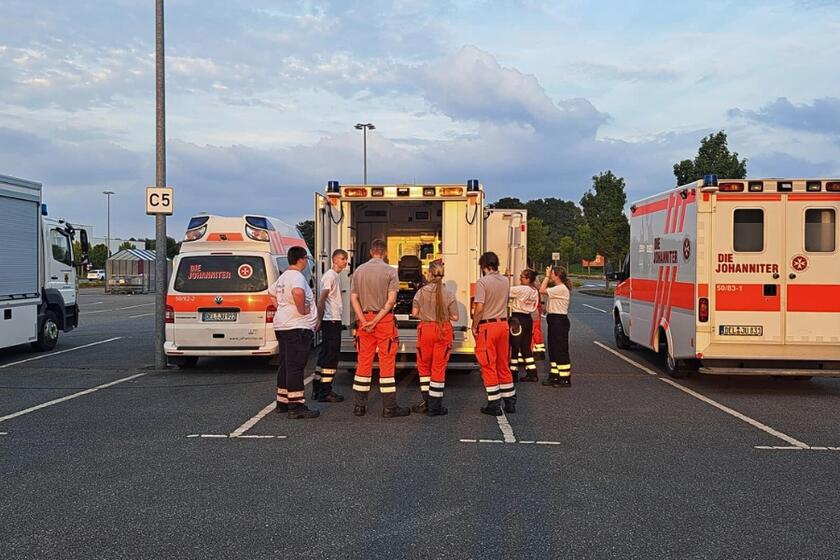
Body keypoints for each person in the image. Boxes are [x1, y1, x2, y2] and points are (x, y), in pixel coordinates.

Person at [349, 238, 410, 418]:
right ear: (384, 253)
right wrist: (375, 321)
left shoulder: (358, 271)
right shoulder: (390, 272)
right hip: (383, 321)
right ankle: (389, 407)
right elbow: (391, 301)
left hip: (364, 320)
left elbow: (354, 298)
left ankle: (359, 406)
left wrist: (364, 320)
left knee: (363, 362)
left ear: (371, 251)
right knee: (386, 363)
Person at [269, 246, 319, 419]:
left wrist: (282, 308)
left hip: (282, 325)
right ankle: (296, 406)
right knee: (296, 367)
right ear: (301, 259)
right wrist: (302, 310)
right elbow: (298, 292)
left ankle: (282, 402)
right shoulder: (297, 277)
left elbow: (271, 293)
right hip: (296, 327)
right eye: (305, 258)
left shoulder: (283, 277)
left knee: (285, 365)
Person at [411, 259, 458, 416]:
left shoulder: (421, 292)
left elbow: (414, 313)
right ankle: (435, 406)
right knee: (439, 368)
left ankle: (426, 402)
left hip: (426, 329)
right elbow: (455, 316)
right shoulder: (449, 294)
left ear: (429, 274)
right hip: (443, 329)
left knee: (424, 366)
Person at [472, 252, 516, 416]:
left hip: (488, 327)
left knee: (488, 364)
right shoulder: (505, 280)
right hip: (503, 324)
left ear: (483, 266)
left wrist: (474, 325)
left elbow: (480, 308)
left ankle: (494, 404)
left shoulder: (482, 282)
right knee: (503, 363)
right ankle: (510, 400)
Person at [313, 249, 349, 403]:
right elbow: (322, 299)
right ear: (334, 259)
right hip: (331, 320)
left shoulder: (335, 276)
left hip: (332, 319)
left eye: (346, 259)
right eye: (342, 258)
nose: (345, 261)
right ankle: (325, 392)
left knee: (324, 354)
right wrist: (319, 319)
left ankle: (317, 388)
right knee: (331, 357)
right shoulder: (330, 276)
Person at [539, 266, 572, 387]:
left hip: (559, 320)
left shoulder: (561, 288)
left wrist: (546, 277)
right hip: (554, 319)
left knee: (560, 350)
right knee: (553, 349)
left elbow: (541, 290)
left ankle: (565, 378)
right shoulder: (558, 288)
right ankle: (554, 376)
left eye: (552, 273)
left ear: (557, 275)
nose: (550, 275)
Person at [509, 269, 539, 383]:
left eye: (522, 277)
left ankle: (513, 373)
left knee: (515, 346)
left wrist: (506, 278)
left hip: (517, 319)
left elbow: (505, 291)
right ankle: (532, 373)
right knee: (526, 347)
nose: (520, 279)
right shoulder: (534, 291)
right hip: (528, 319)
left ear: (527, 278)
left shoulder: (522, 289)